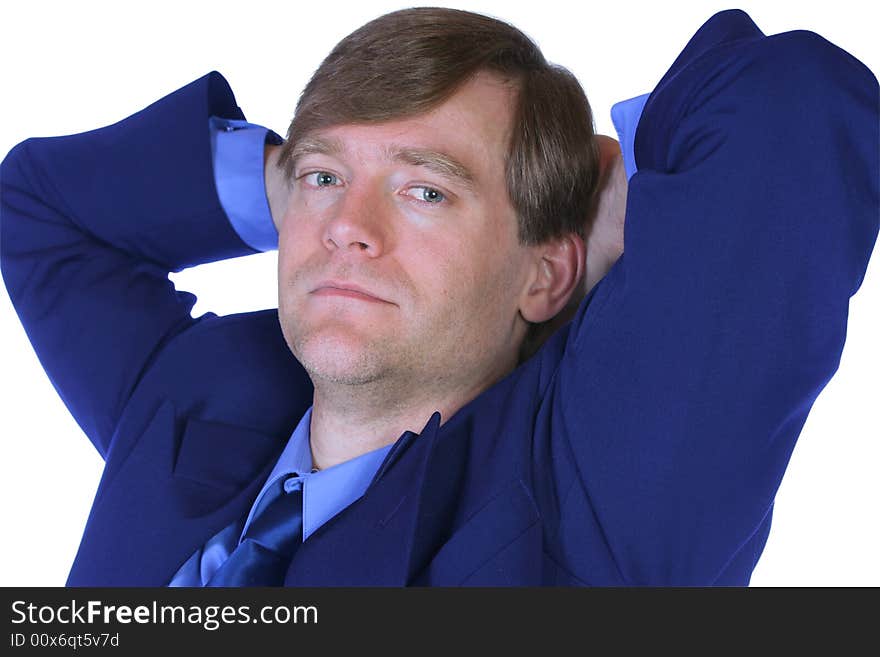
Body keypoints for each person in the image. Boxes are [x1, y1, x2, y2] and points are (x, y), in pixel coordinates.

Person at [0, 7, 876, 586]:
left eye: (426, 191)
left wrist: (630, 192)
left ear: (546, 273)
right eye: (324, 179)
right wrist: (304, 177)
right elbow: (32, 211)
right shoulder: (197, 385)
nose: (350, 226)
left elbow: (797, 103)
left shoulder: (593, 507)